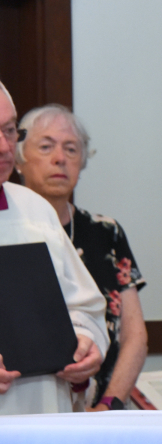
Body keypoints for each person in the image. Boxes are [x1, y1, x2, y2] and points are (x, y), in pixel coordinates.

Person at [15, 104, 147, 412]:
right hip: (30, 408)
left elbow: (134, 335)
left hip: (105, 410)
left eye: (71, 149)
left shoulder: (105, 232)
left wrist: (109, 406)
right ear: (19, 159)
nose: (60, 158)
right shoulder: (9, 230)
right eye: (46, 147)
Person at [0, 85, 108, 415]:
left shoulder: (35, 211)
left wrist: (85, 346)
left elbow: (83, 307)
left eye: (8, 131)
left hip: (42, 412)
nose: (5, 148)